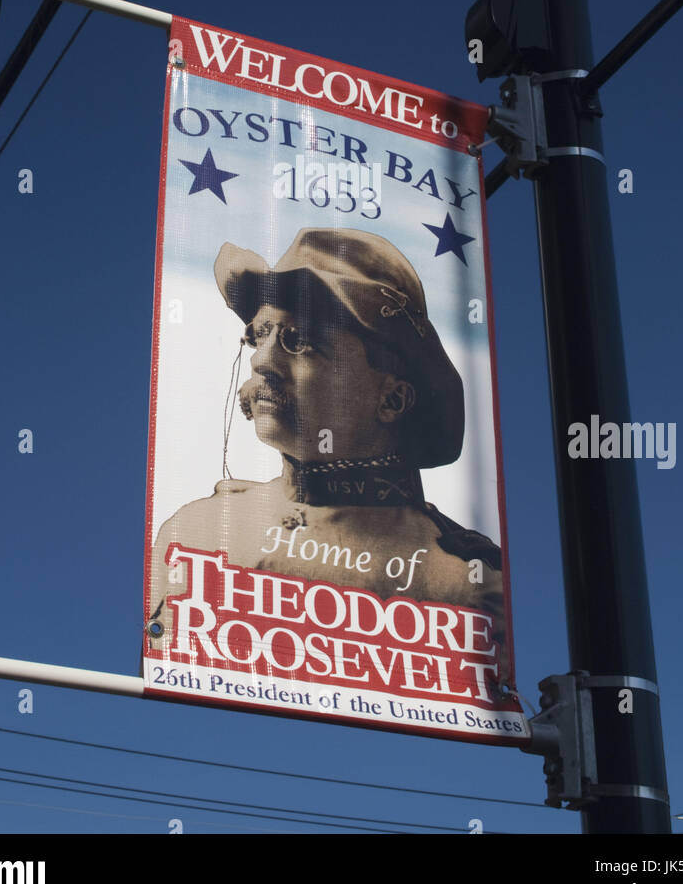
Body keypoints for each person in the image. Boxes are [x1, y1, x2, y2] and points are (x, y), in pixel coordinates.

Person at [148, 227, 503, 659]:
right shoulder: (200, 532)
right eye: (258, 336)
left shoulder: (464, 579)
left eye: (298, 341)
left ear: (391, 398)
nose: (261, 360)